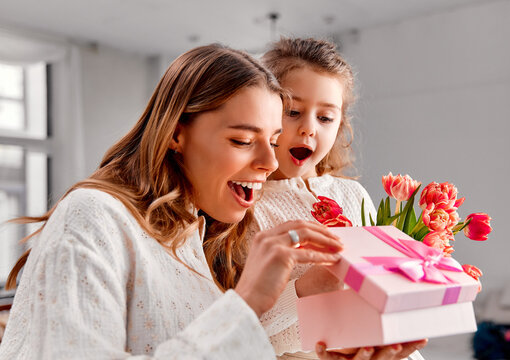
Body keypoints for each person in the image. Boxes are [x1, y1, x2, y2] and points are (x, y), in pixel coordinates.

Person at [0, 44, 345, 359]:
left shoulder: (196, 238)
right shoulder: (94, 215)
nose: (270, 163)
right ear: (176, 134)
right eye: (242, 140)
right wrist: (246, 303)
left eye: (272, 141)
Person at [238, 38, 426, 359]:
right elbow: (245, 329)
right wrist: (306, 290)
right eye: (293, 111)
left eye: (325, 118)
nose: (308, 129)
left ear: (340, 125)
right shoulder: (247, 208)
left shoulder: (352, 194)